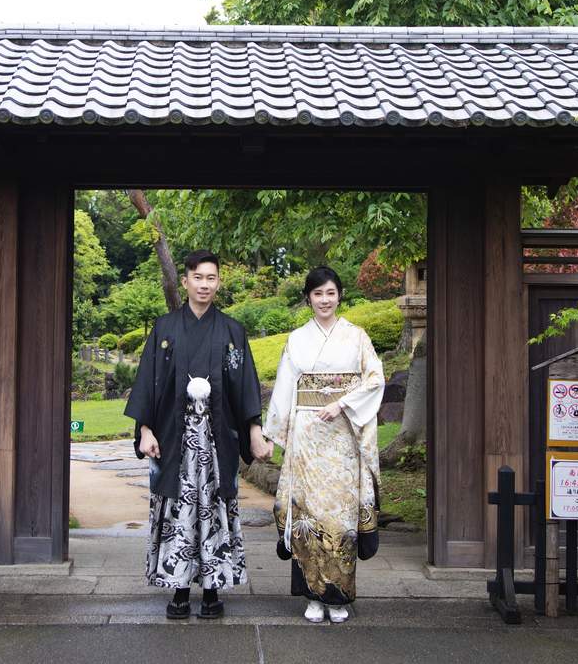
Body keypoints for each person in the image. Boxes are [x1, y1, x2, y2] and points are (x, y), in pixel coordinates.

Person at [124, 249, 272, 619]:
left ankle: (211, 588)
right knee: (177, 510)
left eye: (212, 278)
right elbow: (148, 382)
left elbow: (244, 386)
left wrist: (254, 429)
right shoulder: (165, 328)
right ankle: (177, 587)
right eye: (198, 277)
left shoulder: (232, 330)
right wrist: (144, 428)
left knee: (215, 509)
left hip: (217, 436)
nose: (205, 285)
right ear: (185, 281)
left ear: (218, 282)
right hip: (174, 437)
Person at [263, 266, 384, 624]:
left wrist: (343, 403)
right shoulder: (297, 338)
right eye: (318, 294)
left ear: (339, 295)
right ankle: (312, 596)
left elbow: (375, 379)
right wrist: (273, 435)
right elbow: (285, 387)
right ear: (308, 298)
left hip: (343, 436)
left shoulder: (357, 336)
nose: (324, 300)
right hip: (307, 438)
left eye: (330, 293)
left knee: (340, 518)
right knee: (306, 517)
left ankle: (339, 597)